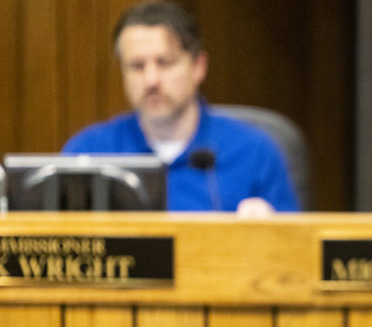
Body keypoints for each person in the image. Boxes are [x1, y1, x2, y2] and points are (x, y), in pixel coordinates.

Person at [62, 1, 300, 215]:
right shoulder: (88, 153)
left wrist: (269, 232)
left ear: (198, 67)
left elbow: (296, 254)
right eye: (137, 66)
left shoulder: (255, 152)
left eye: (164, 63)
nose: (151, 80)